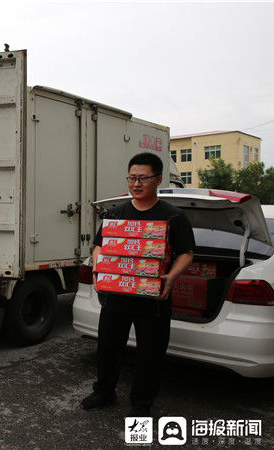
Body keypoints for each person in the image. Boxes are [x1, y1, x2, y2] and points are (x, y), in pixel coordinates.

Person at [80, 152, 195, 417]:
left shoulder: (173, 216)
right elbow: (100, 246)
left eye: (143, 178)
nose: (136, 183)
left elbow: (187, 253)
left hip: (153, 299)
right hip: (117, 296)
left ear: (158, 179)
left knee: (150, 354)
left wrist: (171, 276)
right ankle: (104, 392)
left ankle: (141, 404)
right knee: (108, 347)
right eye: (132, 177)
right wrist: (98, 269)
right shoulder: (116, 213)